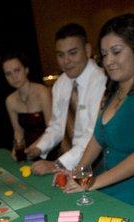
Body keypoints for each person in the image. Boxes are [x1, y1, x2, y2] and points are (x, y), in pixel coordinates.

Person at [64, 13, 134, 217]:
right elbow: (97, 140)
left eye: (116, 52)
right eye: (104, 54)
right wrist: (78, 174)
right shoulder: (113, 92)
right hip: (109, 185)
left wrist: (93, 183)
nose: (108, 60)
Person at [25, 23, 106, 175]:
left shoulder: (102, 82)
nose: (66, 61)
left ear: (87, 50)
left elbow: (93, 136)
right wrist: (38, 148)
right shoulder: (60, 84)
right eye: (60, 55)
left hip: (97, 164)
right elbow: (57, 126)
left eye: (72, 53)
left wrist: (57, 165)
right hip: (67, 160)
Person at [2, 52, 52, 160]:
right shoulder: (10, 101)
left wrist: (33, 149)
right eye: (8, 74)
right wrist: (17, 147)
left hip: (49, 149)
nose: (14, 77)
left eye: (17, 70)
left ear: (26, 70)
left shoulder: (42, 92)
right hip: (28, 152)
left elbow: (51, 129)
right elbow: (18, 130)